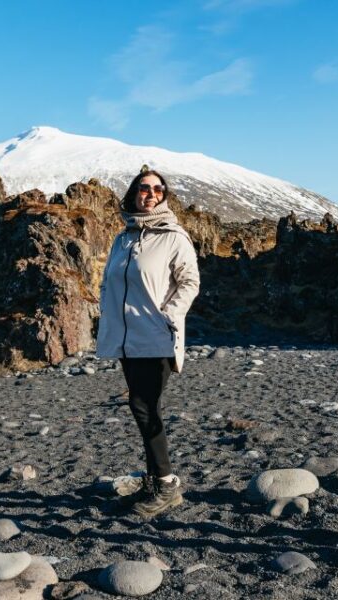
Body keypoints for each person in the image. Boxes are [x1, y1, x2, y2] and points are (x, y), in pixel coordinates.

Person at [96, 166, 200, 518]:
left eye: (158, 189)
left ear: (164, 196)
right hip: (127, 339)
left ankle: (167, 485)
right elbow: (109, 281)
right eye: (144, 188)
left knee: (145, 406)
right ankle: (156, 480)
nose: (151, 194)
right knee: (140, 407)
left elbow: (190, 282)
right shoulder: (122, 238)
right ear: (133, 193)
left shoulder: (174, 237)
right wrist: (106, 311)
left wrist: (169, 315)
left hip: (156, 338)